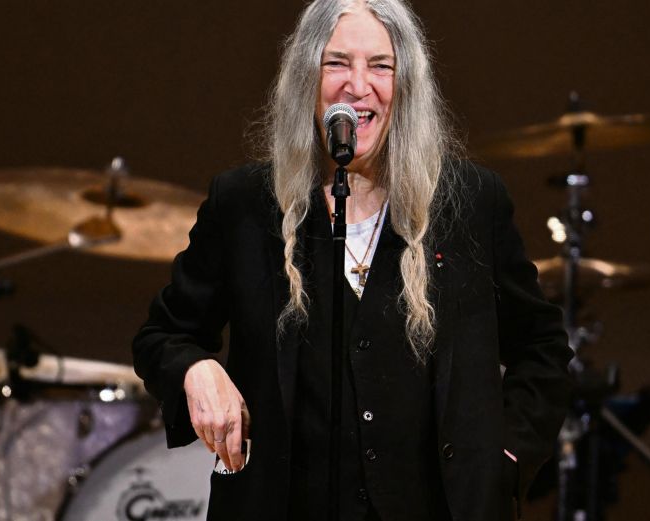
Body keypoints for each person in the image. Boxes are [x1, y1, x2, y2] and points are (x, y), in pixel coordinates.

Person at [132, 0, 572, 520]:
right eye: (336, 62)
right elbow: (162, 335)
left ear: (405, 84)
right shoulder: (245, 204)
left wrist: (504, 457)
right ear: (306, 78)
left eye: (380, 66)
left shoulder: (471, 202)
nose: (358, 86)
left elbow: (542, 349)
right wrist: (196, 369)